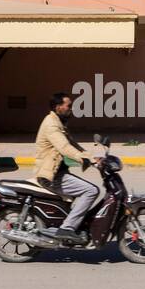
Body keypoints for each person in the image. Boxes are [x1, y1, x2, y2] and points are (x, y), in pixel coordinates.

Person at [34, 92, 101, 242]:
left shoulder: (58, 122)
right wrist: (89, 159)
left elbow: (73, 145)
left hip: (58, 172)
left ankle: (74, 225)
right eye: (68, 106)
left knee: (84, 191)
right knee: (91, 191)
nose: (71, 108)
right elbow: (64, 147)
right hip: (52, 175)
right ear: (58, 107)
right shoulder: (52, 124)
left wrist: (93, 158)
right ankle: (67, 228)